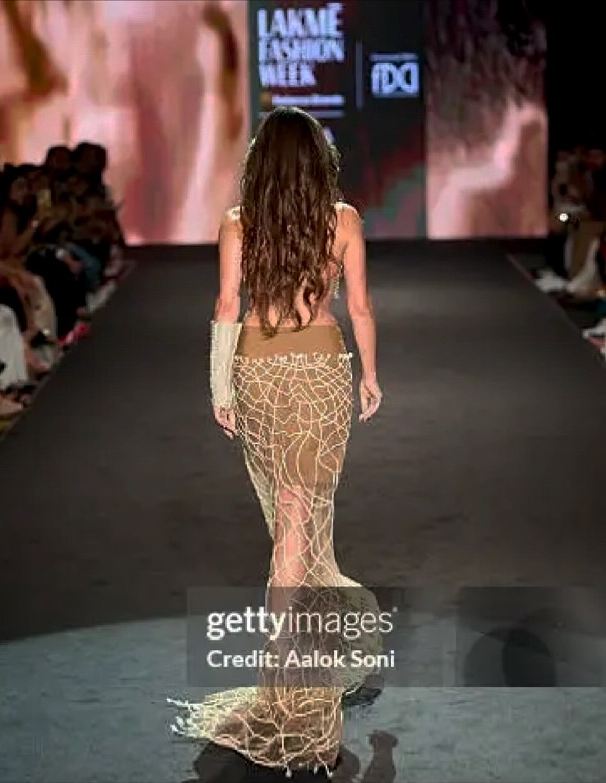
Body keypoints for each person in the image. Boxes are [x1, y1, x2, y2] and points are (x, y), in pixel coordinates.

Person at [169, 107, 383, 777]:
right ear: (319, 160)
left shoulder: (240, 223)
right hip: (319, 379)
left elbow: (226, 306)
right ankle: (294, 691)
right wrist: (370, 375)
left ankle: (293, 682)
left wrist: (220, 389)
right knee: (297, 530)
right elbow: (359, 306)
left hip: (257, 377)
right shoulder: (342, 220)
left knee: (294, 529)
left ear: (259, 161)